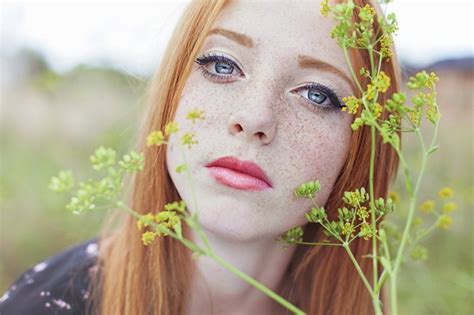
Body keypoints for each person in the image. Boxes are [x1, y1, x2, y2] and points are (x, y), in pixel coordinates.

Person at [0, 0, 401, 314]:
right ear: (173, 87)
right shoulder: (48, 305)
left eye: (317, 93)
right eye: (222, 65)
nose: (254, 117)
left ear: (364, 145)